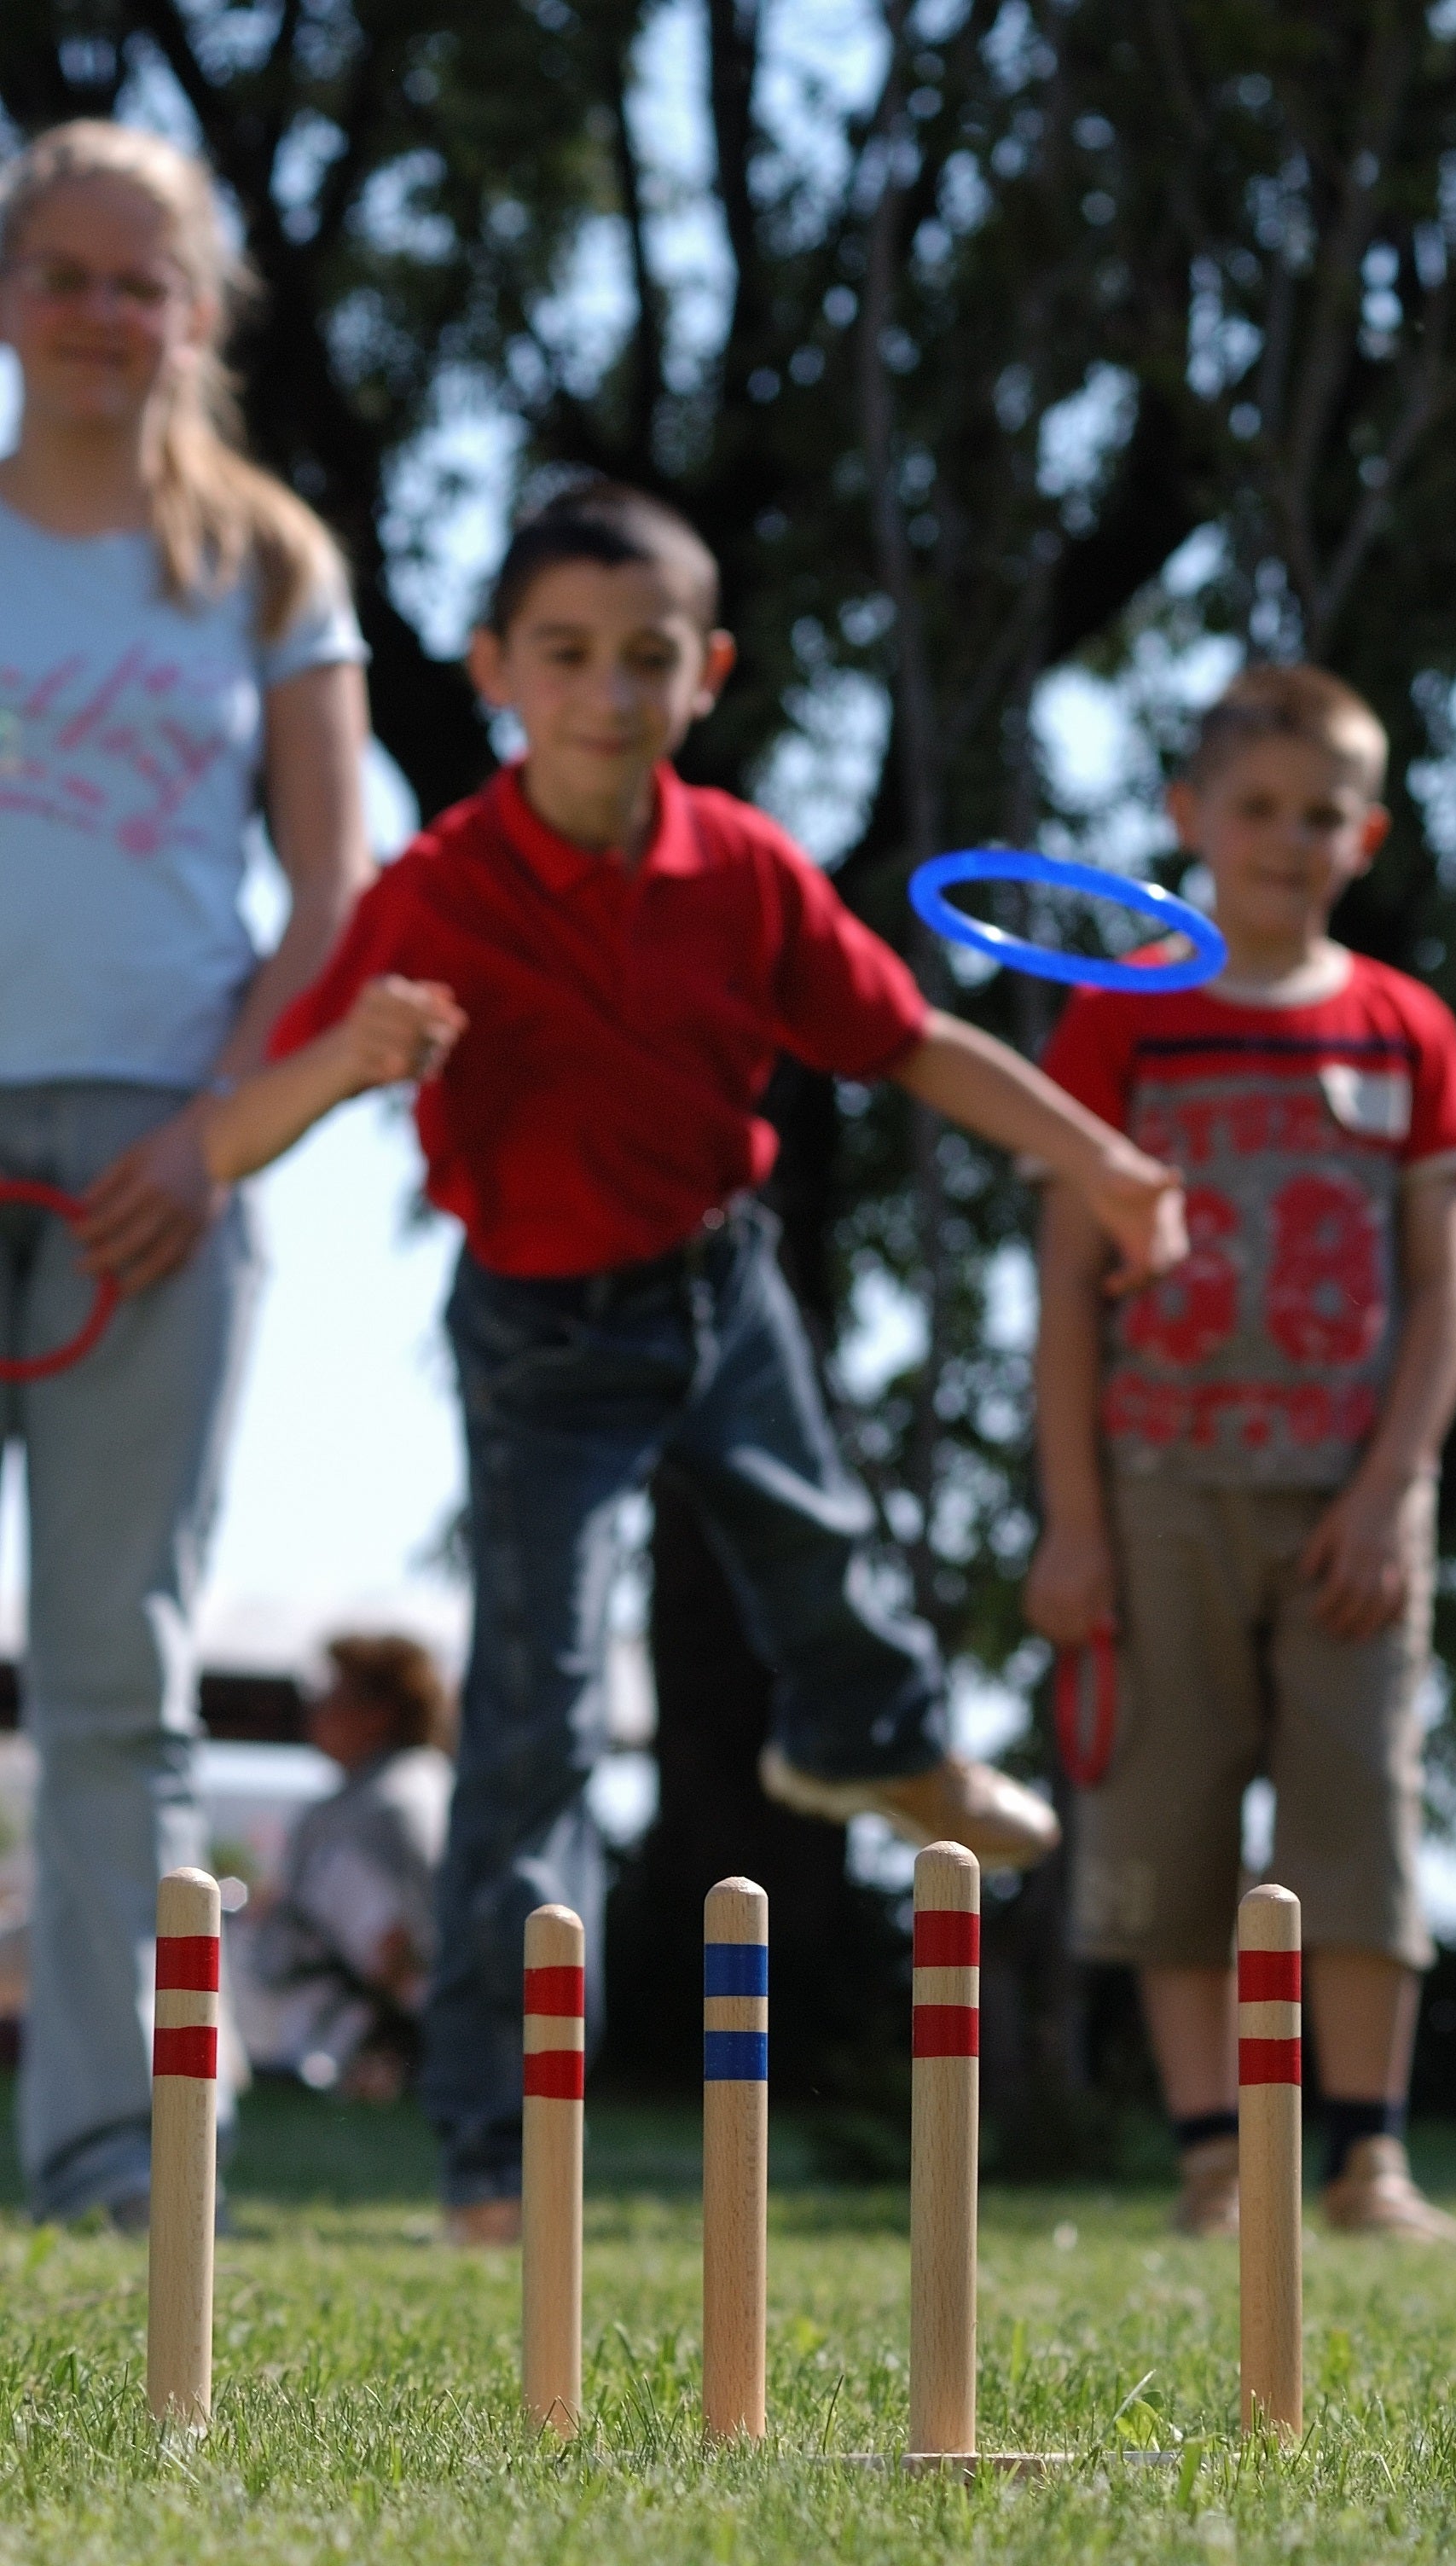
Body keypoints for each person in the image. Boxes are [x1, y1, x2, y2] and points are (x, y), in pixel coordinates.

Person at [199, 475, 1190, 2238]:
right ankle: (494, 2151)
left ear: (707, 670)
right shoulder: (433, 895)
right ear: (497, 669)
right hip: (541, 1336)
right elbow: (240, 1131)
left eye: (647, 656)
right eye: (566, 653)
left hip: (722, 1287)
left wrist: (1098, 1159)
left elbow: (910, 1041)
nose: (609, 691)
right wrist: (348, 1058)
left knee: (822, 1547)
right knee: (534, 1723)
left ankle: (885, 1746)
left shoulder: (739, 869)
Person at [0, 122, 371, 2224]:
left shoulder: (270, 563)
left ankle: (114, 2163)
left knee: (113, 1681)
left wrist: (214, 1125)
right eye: (60, 273)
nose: (97, 313)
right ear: (6, 296)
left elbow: (328, 898)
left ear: (197, 312)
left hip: (162, 1167)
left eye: (136, 282)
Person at [1025, 665, 1456, 2240]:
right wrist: (1073, 1519)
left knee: (1357, 1813)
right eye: (1258, 809)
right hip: (1158, 1487)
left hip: (1351, 1497)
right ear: (1189, 818)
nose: (1290, 841)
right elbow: (1065, 1284)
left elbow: (1447, 1286)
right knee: (1168, 1816)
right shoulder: (1122, 1017)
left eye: (1322, 815)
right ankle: (1216, 2159)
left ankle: (1368, 2159)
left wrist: (1393, 1487)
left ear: (1369, 835)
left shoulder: (1406, 1028)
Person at [239, 1635, 455, 2103]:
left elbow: (400, 1952)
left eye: (331, 1696)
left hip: (362, 2058)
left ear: (379, 1712)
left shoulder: (386, 1805)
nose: (314, 1710)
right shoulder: (417, 1784)